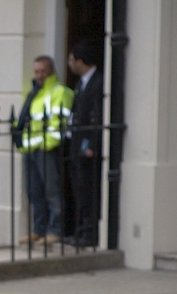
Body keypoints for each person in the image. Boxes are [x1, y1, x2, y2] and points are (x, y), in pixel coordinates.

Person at [14, 56, 73, 246]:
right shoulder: (34, 93)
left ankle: (55, 229)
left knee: (52, 191)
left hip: (47, 148)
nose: (39, 75)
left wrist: (48, 144)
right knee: (33, 192)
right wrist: (21, 141)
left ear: (51, 71)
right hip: (30, 147)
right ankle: (38, 229)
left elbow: (58, 121)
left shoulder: (60, 92)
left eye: (43, 71)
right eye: (36, 71)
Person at [65, 41, 103, 248]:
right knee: (78, 190)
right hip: (75, 144)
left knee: (88, 191)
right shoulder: (81, 83)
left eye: (71, 60)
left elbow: (97, 117)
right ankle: (79, 230)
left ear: (80, 61)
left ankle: (89, 232)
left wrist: (91, 145)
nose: (69, 64)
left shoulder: (98, 82)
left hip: (86, 147)